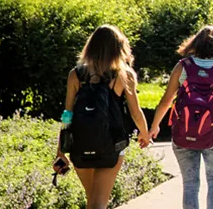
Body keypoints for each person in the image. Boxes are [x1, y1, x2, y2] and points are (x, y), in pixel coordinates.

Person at [54, 25, 152, 209]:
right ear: (118, 48)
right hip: (112, 144)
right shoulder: (124, 75)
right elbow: (136, 112)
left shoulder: (75, 74)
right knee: (99, 203)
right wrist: (145, 134)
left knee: (92, 199)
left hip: (80, 145)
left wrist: (60, 151)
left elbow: (67, 115)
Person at [149, 26, 213, 209]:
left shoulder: (183, 66)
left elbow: (166, 101)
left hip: (183, 131)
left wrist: (154, 126)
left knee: (190, 184)